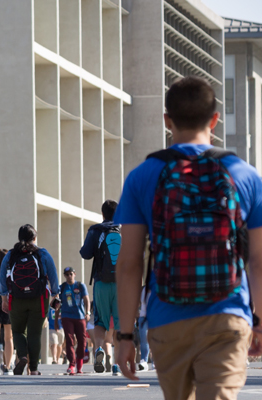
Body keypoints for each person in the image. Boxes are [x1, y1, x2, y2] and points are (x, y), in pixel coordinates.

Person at [115, 76, 262, 400]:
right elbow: (258, 260)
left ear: (167, 120)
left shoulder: (142, 176)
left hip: (168, 318)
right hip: (228, 315)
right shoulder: (246, 175)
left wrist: (126, 335)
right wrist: (260, 319)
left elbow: (128, 264)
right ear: (214, 120)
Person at [0, 224, 59, 376]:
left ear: (19, 238)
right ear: (34, 238)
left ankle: (22, 356)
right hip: (39, 298)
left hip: (16, 298)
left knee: (17, 331)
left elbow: (2, 277)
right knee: (35, 333)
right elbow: (53, 275)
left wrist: (4, 298)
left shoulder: (11, 255)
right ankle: (34, 369)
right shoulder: (42, 253)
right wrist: (55, 294)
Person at [80, 200, 121, 375]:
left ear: (102, 213)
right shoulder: (125, 229)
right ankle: (118, 363)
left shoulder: (96, 230)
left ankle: (99, 349)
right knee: (120, 324)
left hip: (101, 283)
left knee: (100, 321)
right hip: (122, 283)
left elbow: (85, 254)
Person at [57, 267, 90, 375]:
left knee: (82, 341)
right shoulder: (62, 287)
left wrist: (87, 312)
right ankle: (71, 364)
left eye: (70, 274)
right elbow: (57, 304)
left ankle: (79, 363)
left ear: (74, 274)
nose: (69, 276)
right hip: (67, 316)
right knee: (69, 340)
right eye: (66, 274)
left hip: (80, 317)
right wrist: (56, 320)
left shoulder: (80, 286)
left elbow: (86, 299)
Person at [47, 300, 64, 366]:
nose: (57, 304)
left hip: (61, 329)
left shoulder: (62, 309)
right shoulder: (50, 309)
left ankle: (57, 359)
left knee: (59, 345)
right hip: (52, 329)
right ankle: (54, 359)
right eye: (56, 303)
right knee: (54, 343)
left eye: (58, 303)